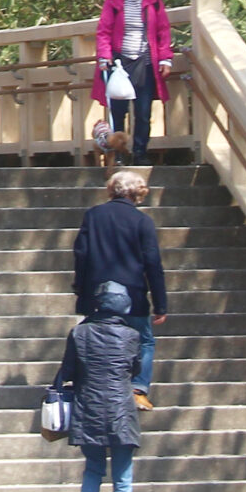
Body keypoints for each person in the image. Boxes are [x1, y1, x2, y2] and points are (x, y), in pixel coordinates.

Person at [52, 279, 144, 492]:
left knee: (93, 468)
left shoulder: (80, 333)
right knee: (123, 474)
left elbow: (67, 371)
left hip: (88, 408)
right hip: (121, 411)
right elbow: (135, 369)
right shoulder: (132, 336)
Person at [73, 167, 167, 410]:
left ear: (112, 190)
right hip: (133, 296)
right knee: (144, 342)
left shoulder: (93, 216)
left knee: (98, 340)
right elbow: (153, 265)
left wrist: (81, 292)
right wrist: (160, 304)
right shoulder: (142, 222)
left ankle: (96, 387)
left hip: (98, 296)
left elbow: (81, 255)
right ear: (138, 193)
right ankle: (138, 389)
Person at [93, 0, 175, 166]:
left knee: (143, 111)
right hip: (120, 62)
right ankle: (119, 151)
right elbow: (104, 31)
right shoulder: (113, 3)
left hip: (146, 63)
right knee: (118, 111)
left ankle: (140, 151)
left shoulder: (154, 3)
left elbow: (163, 32)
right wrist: (104, 55)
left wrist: (166, 58)